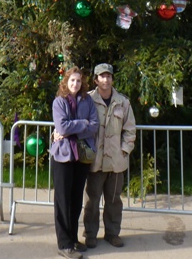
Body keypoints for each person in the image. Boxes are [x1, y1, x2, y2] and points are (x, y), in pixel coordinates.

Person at [83, 63, 136, 249]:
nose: (105, 80)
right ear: (96, 79)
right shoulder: (87, 100)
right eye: (102, 76)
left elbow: (130, 130)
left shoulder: (123, 102)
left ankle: (112, 233)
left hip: (116, 162)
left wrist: (124, 150)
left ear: (112, 79)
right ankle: (90, 234)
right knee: (92, 200)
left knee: (114, 200)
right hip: (95, 161)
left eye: (108, 76)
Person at [51, 66, 99, 259]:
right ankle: (64, 244)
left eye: (78, 81)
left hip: (81, 157)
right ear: (66, 81)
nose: (75, 84)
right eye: (72, 80)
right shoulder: (59, 102)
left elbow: (94, 126)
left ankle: (73, 238)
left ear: (82, 83)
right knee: (63, 200)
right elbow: (61, 125)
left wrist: (76, 126)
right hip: (63, 156)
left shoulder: (88, 101)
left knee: (76, 199)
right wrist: (83, 124)